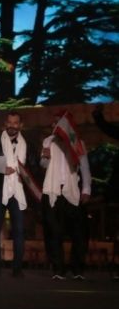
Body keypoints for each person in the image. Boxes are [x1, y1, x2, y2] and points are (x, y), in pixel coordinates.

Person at [0, 111, 39, 278]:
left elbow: (34, 168)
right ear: (5, 124)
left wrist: (25, 174)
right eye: (9, 122)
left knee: (19, 230)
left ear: (20, 125)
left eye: (15, 123)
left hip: (18, 190)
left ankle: (17, 268)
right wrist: (2, 169)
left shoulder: (29, 145)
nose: (12, 126)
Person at [41, 111, 92, 280]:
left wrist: (86, 189)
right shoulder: (48, 141)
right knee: (54, 232)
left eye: (61, 122)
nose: (58, 125)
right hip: (53, 191)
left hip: (72, 191)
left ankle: (77, 269)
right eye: (56, 122)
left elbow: (84, 167)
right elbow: (43, 164)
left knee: (79, 232)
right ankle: (58, 269)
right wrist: (45, 157)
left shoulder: (77, 142)